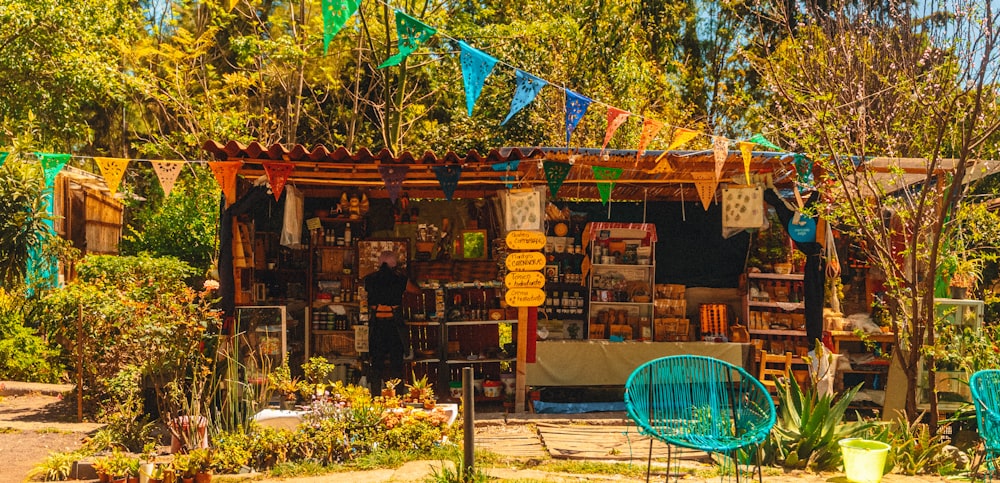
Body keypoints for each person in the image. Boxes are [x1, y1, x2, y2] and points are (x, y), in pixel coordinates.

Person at [364, 250, 419, 392]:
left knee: (376, 362)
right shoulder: (400, 279)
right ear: (394, 264)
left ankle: (375, 394)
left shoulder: (370, 279)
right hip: (394, 324)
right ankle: (398, 394)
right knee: (396, 363)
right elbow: (416, 290)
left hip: (377, 323)